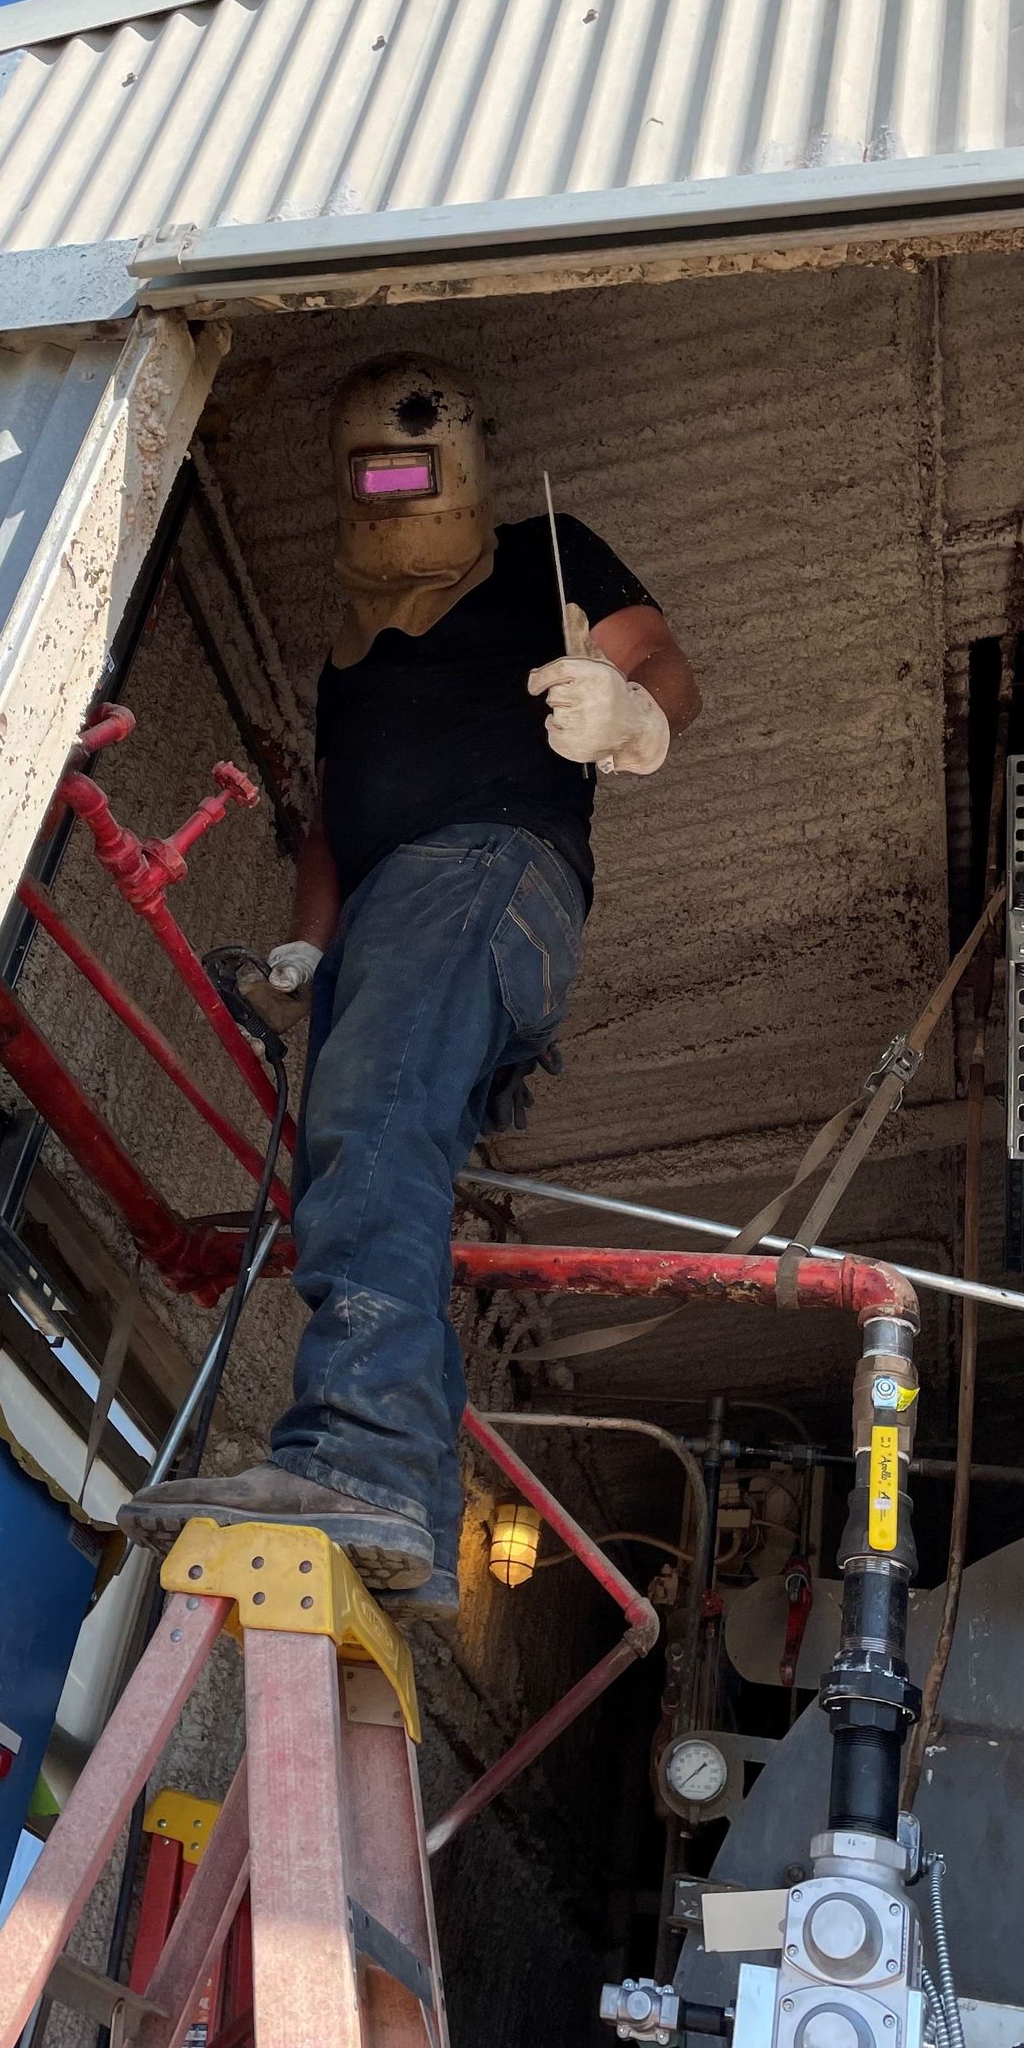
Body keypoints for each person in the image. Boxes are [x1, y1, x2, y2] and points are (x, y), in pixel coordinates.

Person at [119, 354, 700, 1614]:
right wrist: (307, 950)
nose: (395, 498)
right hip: (396, 907)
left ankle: (358, 1463)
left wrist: (631, 717)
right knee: (382, 1168)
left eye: (414, 469)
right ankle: (413, 1521)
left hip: (488, 872)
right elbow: (331, 825)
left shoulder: (548, 551)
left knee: (374, 1131)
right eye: (373, 476)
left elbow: (665, 665)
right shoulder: (350, 654)